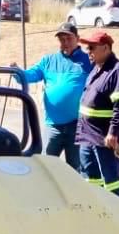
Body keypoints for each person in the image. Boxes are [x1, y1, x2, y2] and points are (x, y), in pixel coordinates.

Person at [23, 21, 91, 171]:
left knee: (75, 170)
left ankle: (74, 195)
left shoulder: (88, 61)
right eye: (61, 39)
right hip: (53, 125)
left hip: (77, 125)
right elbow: (31, 75)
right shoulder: (49, 61)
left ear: (77, 39)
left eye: (68, 39)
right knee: (46, 168)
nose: (65, 43)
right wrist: (18, 72)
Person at [75, 30, 119, 197]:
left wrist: (114, 132)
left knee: (110, 181)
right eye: (87, 48)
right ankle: (95, 214)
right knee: (90, 179)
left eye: (92, 47)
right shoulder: (96, 69)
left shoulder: (118, 71)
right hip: (86, 135)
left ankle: (116, 216)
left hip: (103, 138)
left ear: (106, 48)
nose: (88, 52)